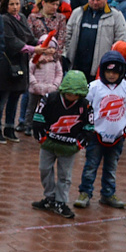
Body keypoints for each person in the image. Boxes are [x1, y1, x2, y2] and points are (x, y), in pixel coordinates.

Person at [74, 51, 126, 210]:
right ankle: (85, 192)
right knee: (91, 165)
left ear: (122, 72)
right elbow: (83, 108)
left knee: (111, 167)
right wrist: (86, 129)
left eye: (115, 72)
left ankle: (108, 193)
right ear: (102, 70)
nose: (111, 75)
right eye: (108, 71)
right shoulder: (94, 87)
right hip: (96, 135)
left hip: (118, 136)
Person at [31, 70, 92, 219]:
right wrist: (42, 138)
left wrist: (79, 144)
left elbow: (89, 126)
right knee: (44, 169)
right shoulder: (49, 99)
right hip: (48, 143)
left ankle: (60, 201)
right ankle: (50, 197)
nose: (72, 97)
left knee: (65, 175)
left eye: (76, 94)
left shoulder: (85, 105)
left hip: (69, 147)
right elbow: (38, 118)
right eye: (69, 93)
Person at [0, 0, 39, 144]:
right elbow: (12, 42)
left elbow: (30, 37)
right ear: (6, 6)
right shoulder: (4, 19)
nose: (15, 7)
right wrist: (34, 49)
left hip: (20, 64)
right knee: (2, 99)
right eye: (11, 4)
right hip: (6, 65)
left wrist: (44, 43)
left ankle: (9, 128)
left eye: (17, 4)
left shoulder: (23, 18)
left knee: (15, 98)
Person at [64, 0, 126, 82]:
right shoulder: (78, 13)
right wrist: (67, 53)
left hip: (100, 67)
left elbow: (121, 40)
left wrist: (111, 60)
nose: (95, 2)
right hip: (77, 64)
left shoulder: (116, 16)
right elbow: (67, 35)